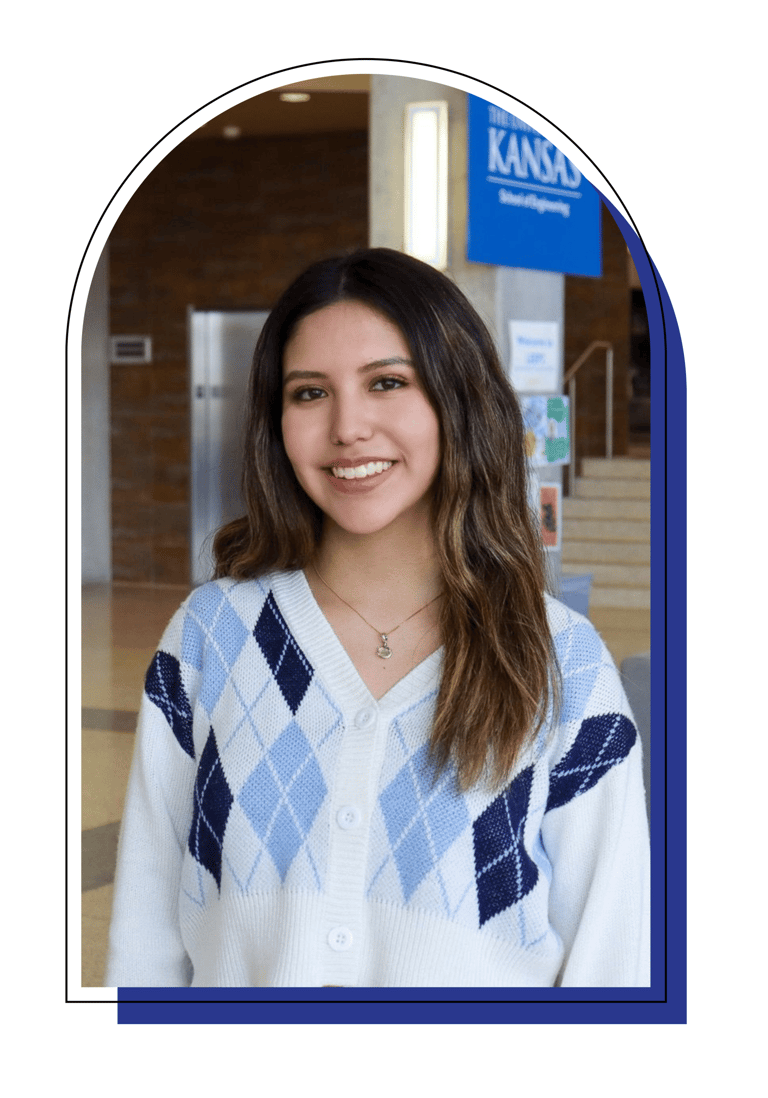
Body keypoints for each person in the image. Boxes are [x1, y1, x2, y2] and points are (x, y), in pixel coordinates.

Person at [106, 248, 650, 988]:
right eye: (308, 394)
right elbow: (145, 937)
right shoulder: (210, 637)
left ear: (456, 401)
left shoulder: (561, 662)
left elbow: (611, 960)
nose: (347, 428)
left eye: (387, 383)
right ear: (275, 420)